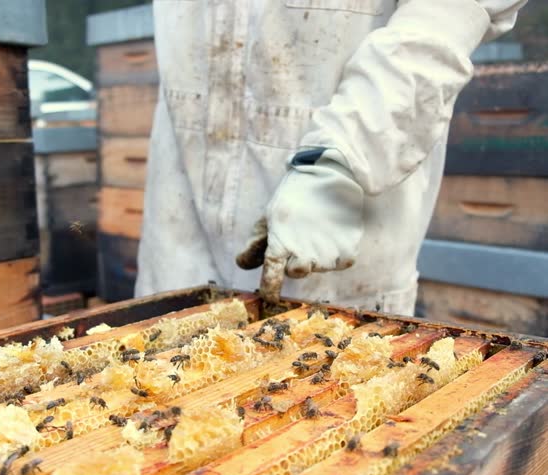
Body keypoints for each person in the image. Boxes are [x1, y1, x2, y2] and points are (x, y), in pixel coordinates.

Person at [134, 0, 526, 315]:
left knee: (332, 394)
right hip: (177, 253)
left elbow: (442, 19)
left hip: (334, 273)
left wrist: (341, 158)